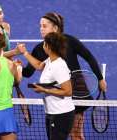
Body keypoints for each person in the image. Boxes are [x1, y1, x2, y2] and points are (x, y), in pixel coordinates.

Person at [19, 12, 107, 140]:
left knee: (76, 135)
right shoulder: (40, 48)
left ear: (55, 28)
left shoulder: (70, 41)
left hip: (76, 91)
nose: (41, 29)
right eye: (40, 26)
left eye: (44, 26)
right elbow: (28, 72)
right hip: (55, 100)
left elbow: (89, 58)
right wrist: (15, 68)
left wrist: (100, 79)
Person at [18, 32, 75, 140]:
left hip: (61, 114)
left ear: (48, 47)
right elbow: (39, 66)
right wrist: (24, 53)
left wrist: (44, 90)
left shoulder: (59, 66)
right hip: (51, 112)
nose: (42, 45)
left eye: (44, 43)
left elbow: (68, 91)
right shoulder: (50, 60)